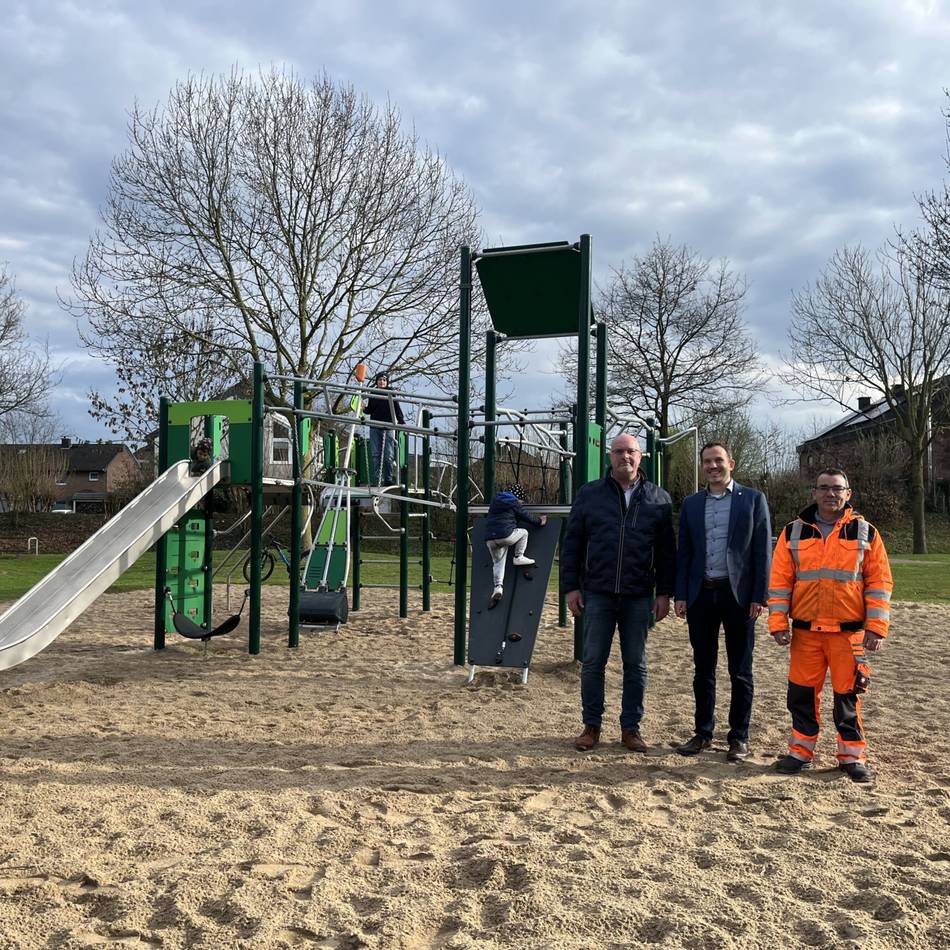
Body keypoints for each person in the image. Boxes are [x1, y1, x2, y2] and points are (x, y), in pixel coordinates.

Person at [768, 468, 892, 784]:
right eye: (824, 488)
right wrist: (778, 622)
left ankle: (852, 757)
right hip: (805, 633)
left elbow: (879, 583)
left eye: (837, 488)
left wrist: (876, 626)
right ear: (814, 492)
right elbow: (780, 582)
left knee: (847, 697)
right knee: (800, 696)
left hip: (848, 633)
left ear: (848, 493)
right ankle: (800, 753)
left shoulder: (866, 532)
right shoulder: (792, 532)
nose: (830, 494)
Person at [560, 433, 676, 753]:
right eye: (619, 451)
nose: (625, 457)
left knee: (635, 664)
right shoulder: (590, 495)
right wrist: (571, 586)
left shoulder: (659, 499)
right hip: (597, 592)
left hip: (638, 594)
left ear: (641, 457)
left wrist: (664, 592)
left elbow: (667, 552)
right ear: (610, 456)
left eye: (631, 452)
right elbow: (572, 544)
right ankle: (591, 725)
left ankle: (631, 728)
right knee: (594, 661)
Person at [673, 442, 772, 762]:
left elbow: (761, 552)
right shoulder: (691, 504)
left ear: (731, 462)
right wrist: (682, 594)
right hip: (701, 594)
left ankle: (738, 736)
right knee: (703, 669)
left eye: (718, 460)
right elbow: (684, 552)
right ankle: (702, 732)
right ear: (702, 466)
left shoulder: (753, 500)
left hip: (739, 597)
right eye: (707, 462)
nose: (713, 466)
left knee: (740, 670)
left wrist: (760, 595)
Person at [484, 484, 547, 604]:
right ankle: (519, 556)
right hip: (505, 535)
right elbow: (527, 516)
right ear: (518, 497)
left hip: (490, 539)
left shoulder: (495, 501)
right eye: (522, 501)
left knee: (498, 562)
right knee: (523, 533)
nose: (522, 503)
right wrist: (540, 521)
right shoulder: (514, 503)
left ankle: (498, 587)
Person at [365, 372, 405, 486]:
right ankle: (378, 479)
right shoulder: (373, 393)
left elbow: (397, 409)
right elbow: (370, 409)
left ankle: (388, 478)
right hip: (375, 426)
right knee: (376, 454)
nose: (381, 382)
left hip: (388, 427)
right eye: (379, 380)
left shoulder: (391, 393)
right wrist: (364, 408)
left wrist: (401, 421)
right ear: (376, 381)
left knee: (388, 454)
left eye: (384, 380)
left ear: (387, 382)